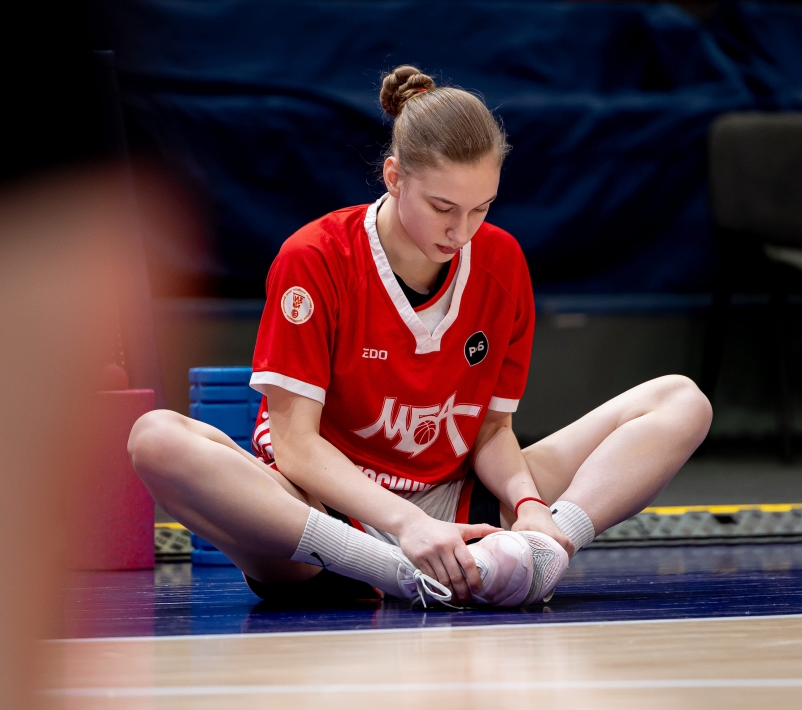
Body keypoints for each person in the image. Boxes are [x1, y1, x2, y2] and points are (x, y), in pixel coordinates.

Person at [129, 65, 712, 608]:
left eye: (481, 208)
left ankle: (544, 554)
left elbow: (491, 430)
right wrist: (408, 528)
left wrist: (530, 506)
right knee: (155, 438)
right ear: (394, 177)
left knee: (681, 400)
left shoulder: (502, 261)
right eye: (442, 207)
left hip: (457, 501)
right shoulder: (315, 257)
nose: (462, 231)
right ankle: (400, 574)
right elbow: (296, 447)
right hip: (325, 516)